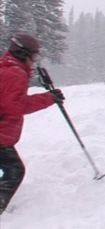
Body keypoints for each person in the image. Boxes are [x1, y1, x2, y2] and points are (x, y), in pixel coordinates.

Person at [0, 33, 65, 215]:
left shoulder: (8, 68)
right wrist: (48, 98)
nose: (35, 61)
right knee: (15, 171)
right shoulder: (14, 73)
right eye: (34, 56)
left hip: (3, 133)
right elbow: (15, 105)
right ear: (22, 54)